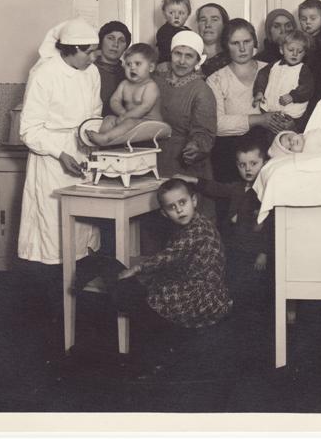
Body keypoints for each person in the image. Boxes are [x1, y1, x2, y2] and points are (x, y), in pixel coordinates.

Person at [17, 18, 102, 342]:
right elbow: (29, 130)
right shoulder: (44, 74)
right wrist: (60, 152)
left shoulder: (91, 73)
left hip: (83, 155)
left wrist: (93, 140)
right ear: (71, 50)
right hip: (51, 163)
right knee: (53, 239)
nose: (94, 57)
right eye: (88, 52)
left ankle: (79, 313)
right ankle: (51, 318)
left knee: (83, 236)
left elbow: (94, 114)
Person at [114, 178, 232, 364]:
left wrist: (138, 268)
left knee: (151, 296)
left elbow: (171, 255)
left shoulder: (197, 229)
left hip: (205, 295)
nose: (179, 210)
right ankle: (165, 343)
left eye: (182, 202)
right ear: (164, 213)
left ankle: (162, 348)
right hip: (204, 287)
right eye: (172, 207)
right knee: (154, 284)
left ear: (194, 200)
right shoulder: (193, 224)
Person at [176, 135, 274, 316]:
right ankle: (233, 310)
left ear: (265, 163)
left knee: (256, 283)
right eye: (242, 165)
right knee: (234, 279)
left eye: (253, 164)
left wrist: (264, 253)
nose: (247, 169)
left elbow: (269, 226)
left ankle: (254, 314)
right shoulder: (238, 187)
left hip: (254, 250)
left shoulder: (266, 192)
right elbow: (217, 188)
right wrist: (193, 180)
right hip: (235, 245)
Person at [206, 18, 294, 184]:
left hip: (269, 146)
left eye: (247, 41)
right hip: (230, 152)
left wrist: (288, 122)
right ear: (226, 45)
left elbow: (290, 105)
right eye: (235, 43)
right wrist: (260, 119)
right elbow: (217, 124)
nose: (242, 48)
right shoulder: (216, 80)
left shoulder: (273, 69)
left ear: (254, 42)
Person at [153, 31, 217, 217]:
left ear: (198, 60)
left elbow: (205, 132)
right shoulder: (156, 80)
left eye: (189, 56)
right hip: (154, 160)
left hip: (184, 164)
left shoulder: (202, 91)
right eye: (177, 54)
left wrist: (195, 146)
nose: (182, 61)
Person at [86, 43, 162, 146]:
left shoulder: (150, 86)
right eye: (128, 64)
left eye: (138, 64)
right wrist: (122, 112)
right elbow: (114, 100)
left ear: (151, 67)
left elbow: (145, 107)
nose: (132, 68)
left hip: (150, 123)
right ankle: (99, 141)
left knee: (129, 123)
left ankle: (105, 138)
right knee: (109, 119)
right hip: (129, 118)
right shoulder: (124, 84)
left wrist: (126, 116)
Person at [252, 29, 314, 120]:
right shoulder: (274, 66)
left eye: (300, 51)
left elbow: (307, 87)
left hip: (291, 113)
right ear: (281, 50)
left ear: (304, 53)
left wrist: (293, 96)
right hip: (269, 109)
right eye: (291, 50)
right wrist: (259, 91)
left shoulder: (303, 69)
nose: (295, 54)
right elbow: (262, 76)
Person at [155, 0, 192, 67]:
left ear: (188, 15)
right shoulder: (164, 31)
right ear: (164, 14)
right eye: (171, 13)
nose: (176, 16)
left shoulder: (189, 32)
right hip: (167, 64)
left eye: (181, 13)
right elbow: (167, 51)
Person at [197, 2, 232, 78]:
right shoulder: (188, 56)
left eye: (214, 20)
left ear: (224, 25)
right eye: (203, 20)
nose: (207, 25)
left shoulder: (232, 59)